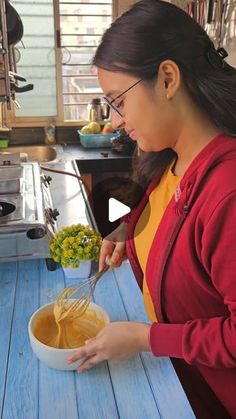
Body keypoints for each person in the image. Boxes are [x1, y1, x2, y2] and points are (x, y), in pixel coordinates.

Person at [68, 1, 236, 416]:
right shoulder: (170, 157)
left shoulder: (227, 193)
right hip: (175, 379)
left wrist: (147, 338)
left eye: (119, 100)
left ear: (167, 78)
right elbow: (169, 218)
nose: (116, 120)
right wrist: (131, 229)